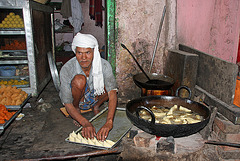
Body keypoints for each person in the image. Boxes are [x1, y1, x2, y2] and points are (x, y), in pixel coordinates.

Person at [59, 33, 118, 141]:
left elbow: (112, 93)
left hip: (95, 96)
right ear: (75, 53)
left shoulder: (104, 65)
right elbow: (67, 102)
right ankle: (77, 110)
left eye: (87, 52)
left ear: (94, 52)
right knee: (79, 80)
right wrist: (85, 123)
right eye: (79, 53)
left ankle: (96, 106)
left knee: (110, 85)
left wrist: (109, 122)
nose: (84, 58)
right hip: (78, 99)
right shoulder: (67, 69)